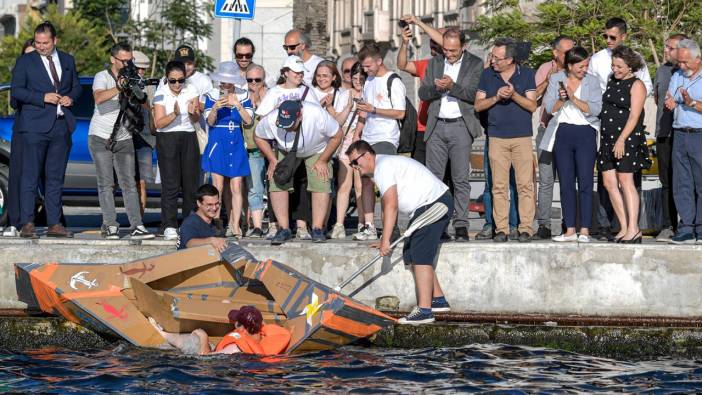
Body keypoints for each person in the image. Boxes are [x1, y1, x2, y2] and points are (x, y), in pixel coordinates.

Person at [346, 140, 453, 325]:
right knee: (411, 252)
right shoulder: (382, 167)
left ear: (367, 155)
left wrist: (385, 240)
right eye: (351, 164)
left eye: (355, 161)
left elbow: (391, 205)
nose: (354, 167)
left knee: (420, 255)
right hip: (425, 206)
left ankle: (425, 311)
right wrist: (384, 240)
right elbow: (390, 206)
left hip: (434, 203)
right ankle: (438, 300)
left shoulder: (383, 167)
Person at [11, 21, 81, 238]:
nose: (40, 46)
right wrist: (42, 97)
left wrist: (71, 97)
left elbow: (77, 86)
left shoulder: (67, 60)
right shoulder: (25, 61)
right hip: (34, 127)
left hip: (60, 126)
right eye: (37, 42)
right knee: (29, 177)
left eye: (45, 43)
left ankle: (54, 223)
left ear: (55, 41)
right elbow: (17, 91)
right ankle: (27, 223)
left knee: (55, 178)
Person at [588, 17, 653, 241]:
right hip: (607, 137)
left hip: (625, 138)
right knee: (608, 182)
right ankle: (624, 226)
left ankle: (634, 227)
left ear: (630, 67)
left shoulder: (637, 84)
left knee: (626, 181)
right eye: (613, 65)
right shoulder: (612, 80)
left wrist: (621, 139)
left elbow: (635, 114)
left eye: (618, 66)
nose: (614, 69)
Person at [418, 28, 483, 242]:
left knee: (460, 178)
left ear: (463, 46)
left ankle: (462, 224)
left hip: (461, 126)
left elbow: (474, 95)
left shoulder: (475, 63)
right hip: (436, 125)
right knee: (434, 179)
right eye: (446, 49)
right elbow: (422, 92)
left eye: (453, 50)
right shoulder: (435, 62)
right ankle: (438, 224)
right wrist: (437, 89)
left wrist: (452, 87)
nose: (449, 54)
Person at [474, 38, 538, 243]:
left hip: (522, 137)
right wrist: (496, 97)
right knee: (498, 186)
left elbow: (532, 105)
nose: (493, 61)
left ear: (510, 59)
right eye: (492, 56)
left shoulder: (527, 74)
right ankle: (501, 228)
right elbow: (478, 105)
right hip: (496, 137)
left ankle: (525, 227)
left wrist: (513, 95)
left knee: (525, 184)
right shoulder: (487, 75)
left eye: (497, 58)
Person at [88, 42, 154, 240]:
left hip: (125, 138)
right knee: (106, 184)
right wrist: (119, 86)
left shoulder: (133, 76)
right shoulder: (102, 76)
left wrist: (136, 86)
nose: (127, 63)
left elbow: (144, 103)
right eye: (123, 60)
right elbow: (98, 98)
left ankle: (137, 225)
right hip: (100, 137)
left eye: (129, 60)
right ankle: (110, 225)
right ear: (113, 59)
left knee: (129, 184)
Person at [255, 100, 343, 245]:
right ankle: (283, 228)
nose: (287, 128)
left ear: (300, 116)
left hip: (317, 149)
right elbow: (258, 136)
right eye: (283, 124)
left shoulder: (317, 114)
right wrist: (272, 159)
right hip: (286, 150)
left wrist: (323, 160)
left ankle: (317, 228)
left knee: (321, 180)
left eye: (290, 124)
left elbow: (338, 134)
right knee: (276, 180)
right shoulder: (271, 119)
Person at [541, 47, 602, 242]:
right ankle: (569, 229)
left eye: (586, 65)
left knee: (585, 181)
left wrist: (574, 98)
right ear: (569, 65)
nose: (584, 69)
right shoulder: (556, 78)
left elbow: (595, 109)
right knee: (566, 182)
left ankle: (584, 229)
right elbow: (549, 107)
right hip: (563, 132)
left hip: (585, 132)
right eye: (580, 66)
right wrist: (561, 98)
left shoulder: (591, 81)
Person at [256, 55, 320, 240]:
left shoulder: (308, 92)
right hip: (282, 146)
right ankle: (277, 225)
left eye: (302, 72)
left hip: (304, 145)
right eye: (296, 72)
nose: (300, 75)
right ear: (285, 73)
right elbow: (262, 119)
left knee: (302, 183)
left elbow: (315, 115)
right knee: (278, 181)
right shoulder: (274, 92)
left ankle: (302, 225)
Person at [353, 43, 406, 241]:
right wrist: (357, 133)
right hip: (368, 137)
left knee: (384, 182)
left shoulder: (393, 81)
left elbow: (400, 113)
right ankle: (369, 225)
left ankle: (390, 226)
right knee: (365, 181)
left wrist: (374, 109)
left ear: (379, 61)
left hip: (386, 137)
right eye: (363, 67)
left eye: (368, 66)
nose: (365, 71)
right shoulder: (369, 81)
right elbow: (363, 111)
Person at [201, 62, 253, 239]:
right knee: (218, 186)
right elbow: (210, 122)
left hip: (236, 143)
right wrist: (215, 107)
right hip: (218, 143)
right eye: (222, 82)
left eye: (229, 82)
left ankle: (235, 224)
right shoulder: (211, 95)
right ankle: (215, 224)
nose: (225, 85)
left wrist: (237, 105)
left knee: (237, 185)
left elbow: (248, 121)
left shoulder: (243, 95)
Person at [153, 61, 202, 240]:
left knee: (190, 183)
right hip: (168, 138)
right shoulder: (160, 93)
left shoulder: (192, 89)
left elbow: (196, 117)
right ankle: (169, 225)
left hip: (188, 135)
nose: (177, 85)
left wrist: (193, 112)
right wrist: (174, 114)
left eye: (180, 80)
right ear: (167, 79)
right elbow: (158, 123)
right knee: (171, 184)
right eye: (172, 81)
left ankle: (189, 223)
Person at [533, 36, 575, 240]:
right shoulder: (544, 69)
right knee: (547, 179)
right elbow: (532, 99)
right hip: (547, 129)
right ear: (555, 53)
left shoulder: (580, 70)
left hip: (570, 130)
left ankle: (570, 223)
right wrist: (548, 80)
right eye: (566, 51)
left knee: (568, 179)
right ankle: (544, 225)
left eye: (573, 50)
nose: (570, 55)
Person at [665, 39, 702, 244]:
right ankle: (686, 227)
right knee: (682, 183)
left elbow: (690, 103)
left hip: (700, 134)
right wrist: (670, 102)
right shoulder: (677, 75)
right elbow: (671, 96)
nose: (682, 66)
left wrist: (692, 103)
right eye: (679, 62)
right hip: (680, 133)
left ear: (698, 59)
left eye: (686, 62)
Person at [398, 15, 445, 165]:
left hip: (444, 127)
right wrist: (404, 44)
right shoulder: (426, 64)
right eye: (430, 42)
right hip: (423, 127)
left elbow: (444, 42)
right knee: (420, 168)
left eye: (435, 42)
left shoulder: (457, 66)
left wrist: (418, 22)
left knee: (445, 174)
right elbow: (402, 65)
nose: (432, 44)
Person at [149, 306, 291, 356]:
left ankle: (162, 333)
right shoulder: (263, 336)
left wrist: (204, 337)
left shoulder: (235, 348)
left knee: (195, 340)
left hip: (211, 366)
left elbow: (205, 358)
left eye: (236, 323)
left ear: (241, 327)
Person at [654, 34, 687, 242]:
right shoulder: (661, 71)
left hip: (685, 133)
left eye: (670, 47)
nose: (665, 51)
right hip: (664, 133)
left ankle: (689, 223)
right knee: (666, 181)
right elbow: (658, 99)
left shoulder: (692, 72)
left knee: (685, 181)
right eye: (665, 47)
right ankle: (668, 225)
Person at [3, 40, 37, 237]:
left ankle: (54, 222)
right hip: (23, 130)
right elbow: (15, 100)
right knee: (18, 176)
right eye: (27, 55)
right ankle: (15, 222)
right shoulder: (20, 74)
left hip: (47, 130)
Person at [328, 62, 365, 239]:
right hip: (346, 142)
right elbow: (337, 120)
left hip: (362, 142)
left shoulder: (369, 93)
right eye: (355, 78)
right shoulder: (344, 95)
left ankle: (363, 223)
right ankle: (339, 224)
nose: (357, 82)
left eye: (361, 79)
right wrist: (348, 107)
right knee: (344, 184)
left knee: (360, 185)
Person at [242, 64, 268, 238]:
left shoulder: (272, 96)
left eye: (257, 80)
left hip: (272, 149)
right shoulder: (242, 98)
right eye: (249, 80)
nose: (253, 83)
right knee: (254, 189)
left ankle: (275, 225)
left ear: (263, 79)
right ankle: (257, 226)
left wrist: (260, 102)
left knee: (275, 189)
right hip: (251, 150)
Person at [132, 50, 157, 216]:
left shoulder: (149, 86)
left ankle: (139, 220)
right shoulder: (122, 83)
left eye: (143, 69)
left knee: (141, 182)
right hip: (124, 137)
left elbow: (153, 109)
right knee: (115, 182)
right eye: (137, 68)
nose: (140, 72)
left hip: (144, 139)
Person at [177, 183, 227, 251]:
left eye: (217, 203)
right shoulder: (190, 222)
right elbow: (189, 243)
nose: (214, 208)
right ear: (199, 203)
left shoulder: (216, 223)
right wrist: (211, 240)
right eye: (209, 204)